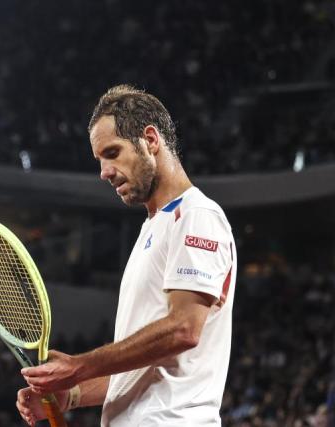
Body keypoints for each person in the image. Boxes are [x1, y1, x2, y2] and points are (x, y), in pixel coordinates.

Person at [16, 85, 237, 426]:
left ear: (150, 139)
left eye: (113, 153)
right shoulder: (154, 226)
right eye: (100, 160)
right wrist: (71, 393)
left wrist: (79, 366)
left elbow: (184, 329)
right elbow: (142, 368)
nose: (104, 172)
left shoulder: (196, 216)